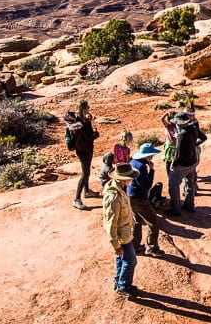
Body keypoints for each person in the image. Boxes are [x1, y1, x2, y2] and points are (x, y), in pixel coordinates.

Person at [102, 162, 141, 298]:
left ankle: (119, 282)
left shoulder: (120, 190)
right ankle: (124, 286)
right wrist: (115, 244)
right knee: (131, 260)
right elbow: (110, 223)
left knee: (122, 258)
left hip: (125, 233)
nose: (132, 180)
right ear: (123, 179)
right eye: (130, 178)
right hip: (121, 236)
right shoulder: (114, 198)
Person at [165, 112, 207, 216]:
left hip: (182, 165)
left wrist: (174, 164)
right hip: (193, 162)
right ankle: (189, 204)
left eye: (177, 123)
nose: (176, 124)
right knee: (190, 182)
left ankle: (175, 209)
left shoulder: (181, 135)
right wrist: (194, 145)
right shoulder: (193, 128)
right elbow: (204, 137)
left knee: (173, 185)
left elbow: (178, 154)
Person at [129, 142, 164, 257]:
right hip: (139, 198)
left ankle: (135, 245)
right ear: (148, 156)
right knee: (153, 222)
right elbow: (147, 185)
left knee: (137, 220)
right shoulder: (141, 167)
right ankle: (152, 248)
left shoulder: (133, 162)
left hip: (130, 196)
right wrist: (152, 170)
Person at [65, 99, 99, 210]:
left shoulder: (82, 119)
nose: (89, 109)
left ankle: (87, 191)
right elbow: (88, 136)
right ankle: (77, 199)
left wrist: (89, 121)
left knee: (87, 170)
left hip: (86, 148)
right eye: (87, 107)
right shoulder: (79, 122)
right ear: (84, 108)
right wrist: (95, 135)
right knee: (85, 173)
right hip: (83, 150)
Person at [160, 111, 178, 175]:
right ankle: (168, 175)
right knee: (168, 161)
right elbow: (162, 119)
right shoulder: (168, 125)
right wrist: (166, 113)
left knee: (177, 160)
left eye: (174, 117)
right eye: (171, 118)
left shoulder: (178, 125)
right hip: (170, 145)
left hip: (177, 145)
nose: (173, 119)